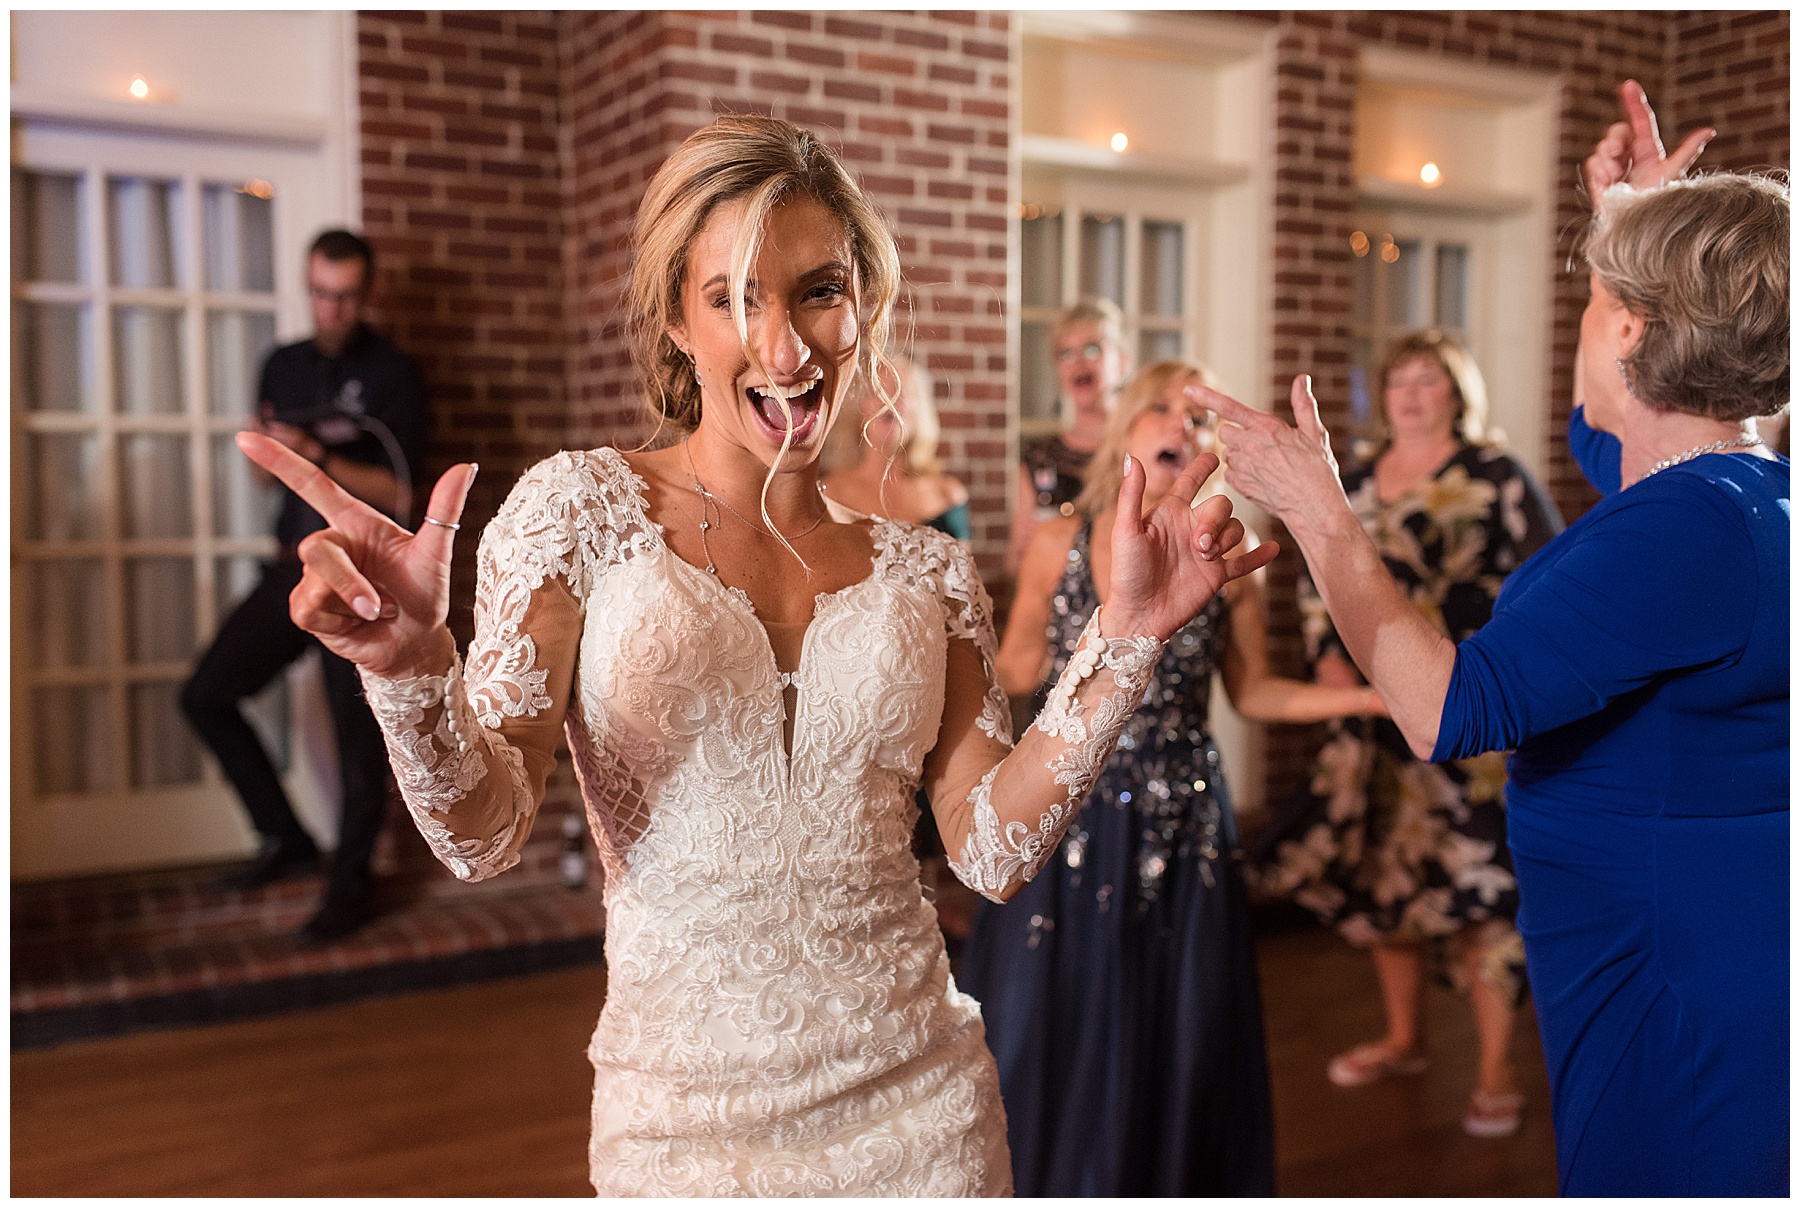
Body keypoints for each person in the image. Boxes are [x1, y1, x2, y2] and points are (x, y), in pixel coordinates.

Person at [238, 115, 1276, 1195]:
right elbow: (484, 832)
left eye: (818, 290)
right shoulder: (579, 511)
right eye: (732, 297)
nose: (784, 347)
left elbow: (991, 852)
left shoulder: (930, 572)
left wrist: (1128, 638)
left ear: (862, 304)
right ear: (679, 323)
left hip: (924, 1114)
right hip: (682, 1129)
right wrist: (409, 672)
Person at [1204, 82, 1786, 1196]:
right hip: (1707, 932)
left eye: (1614, 296)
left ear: (1635, 330)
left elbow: (1446, 708)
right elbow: (1598, 410)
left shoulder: (1680, 531)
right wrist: (1622, 227)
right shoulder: (1732, 496)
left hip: (1667, 968)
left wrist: (1318, 504)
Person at [961, 360, 1386, 1196]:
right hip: (1072, 811)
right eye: (1162, 407)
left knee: (1184, 1025)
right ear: (1125, 429)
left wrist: (1378, 693)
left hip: (1186, 819)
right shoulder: (1056, 545)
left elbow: (1253, 690)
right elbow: (1010, 666)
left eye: (1196, 418)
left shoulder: (1224, 559)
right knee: (1051, 1017)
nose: (1179, 427)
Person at [1251, 331, 1562, 1140]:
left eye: (1430, 381)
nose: (1413, 395)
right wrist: (1328, 664)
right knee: (1388, 875)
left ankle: (1495, 1068)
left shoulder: (1496, 475)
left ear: (1457, 392)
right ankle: (1404, 1037)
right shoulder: (1350, 479)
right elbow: (1318, 578)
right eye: (1401, 382)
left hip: (1470, 713)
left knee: (1479, 886)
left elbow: (1544, 580)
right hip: (1370, 715)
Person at [181, 228, 427, 943]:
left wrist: (315, 452)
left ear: (366, 294)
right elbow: (264, 475)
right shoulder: (281, 364)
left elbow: (402, 492)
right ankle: (285, 838)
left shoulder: (394, 375)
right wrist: (269, 453)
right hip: (290, 567)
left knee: (358, 743)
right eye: (321, 293)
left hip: (360, 580)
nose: (332, 308)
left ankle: (349, 887)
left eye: (346, 296)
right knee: (205, 695)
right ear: (307, 284)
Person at [1007, 298, 1131, 575]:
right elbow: (1013, 566)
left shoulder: (1141, 449)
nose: (1078, 363)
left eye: (1092, 348)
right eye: (1066, 353)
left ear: (1123, 362)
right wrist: (1025, 547)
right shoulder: (1038, 457)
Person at [821, 355, 970, 538]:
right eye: (878, 391)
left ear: (918, 411)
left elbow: (962, 565)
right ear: (859, 410)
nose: (890, 401)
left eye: (901, 392)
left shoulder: (947, 495)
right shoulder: (828, 495)